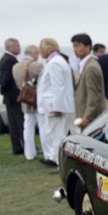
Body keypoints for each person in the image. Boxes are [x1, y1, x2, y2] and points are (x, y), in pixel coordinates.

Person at [36, 37, 74, 167]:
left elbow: (58, 86)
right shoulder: (56, 61)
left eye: (41, 48)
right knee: (56, 134)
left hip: (56, 107)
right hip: (56, 106)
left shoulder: (55, 62)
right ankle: (55, 159)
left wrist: (58, 107)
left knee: (57, 135)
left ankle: (59, 163)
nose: (39, 51)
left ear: (48, 49)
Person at [12, 44, 43, 160]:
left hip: (25, 100)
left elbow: (17, 85)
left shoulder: (15, 66)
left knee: (28, 127)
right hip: (38, 100)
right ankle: (48, 153)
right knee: (43, 127)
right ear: (34, 53)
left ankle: (29, 153)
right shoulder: (37, 65)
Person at [71, 33, 106, 129]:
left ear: (88, 47)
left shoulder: (91, 67)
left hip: (90, 119)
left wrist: (87, 117)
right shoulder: (85, 65)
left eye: (78, 46)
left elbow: (94, 95)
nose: (75, 49)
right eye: (74, 46)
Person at [0, 37, 24, 155]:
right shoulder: (9, 60)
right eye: (17, 46)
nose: (19, 48)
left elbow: (2, 79)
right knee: (19, 123)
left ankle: (17, 148)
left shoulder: (6, 59)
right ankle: (25, 147)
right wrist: (3, 88)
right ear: (10, 47)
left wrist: (2, 88)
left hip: (9, 96)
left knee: (14, 124)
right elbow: (5, 78)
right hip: (13, 96)